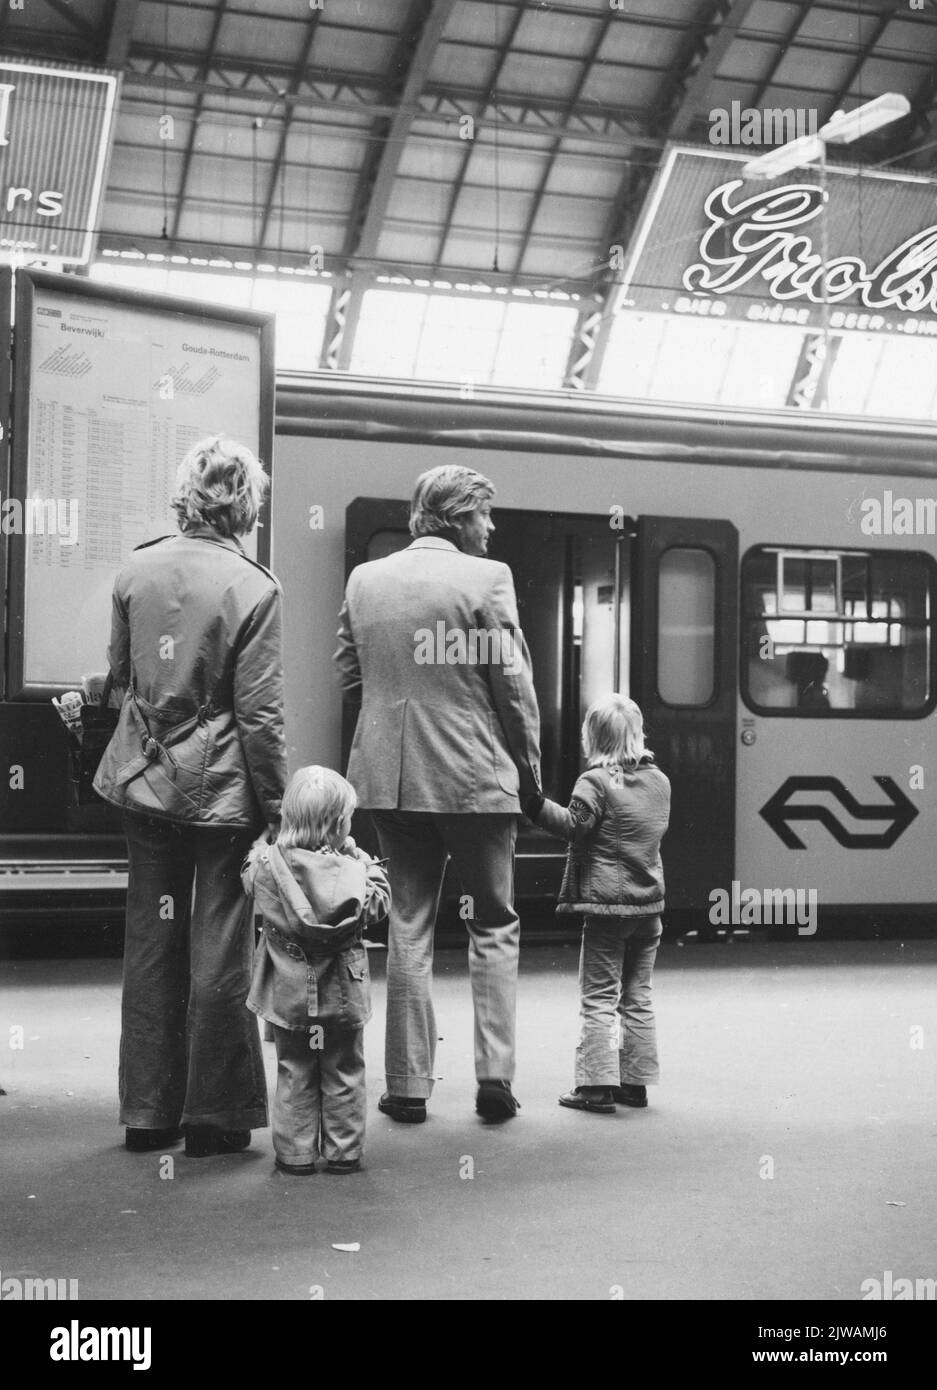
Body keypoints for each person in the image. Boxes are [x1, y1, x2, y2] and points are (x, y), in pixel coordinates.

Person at [94, 436, 288, 1157]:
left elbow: (118, 680)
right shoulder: (255, 588)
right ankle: (213, 1116)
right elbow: (260, 715)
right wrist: (276, 810)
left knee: (150, 942)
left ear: (185, 495)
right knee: (219, 948)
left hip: (142, 781)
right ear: (244, 503)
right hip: (221, 793)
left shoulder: (134, 569)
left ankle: (147, 1113)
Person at [334, 464, 542, 1123]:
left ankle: (405, 1085)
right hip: (476, 778)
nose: (492, 525)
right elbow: (512, 691)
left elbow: (349, 675)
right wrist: (530, 780)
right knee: (493, 924)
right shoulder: (487, 580)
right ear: (457, 516)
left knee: (407, 926)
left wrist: (388, 729)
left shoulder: (366, 580)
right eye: (484, 513)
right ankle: (494, 1077)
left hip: (393, 780)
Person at [241, 766, 390, 1175]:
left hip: (288, 992)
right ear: (340, 824)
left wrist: (261, 846)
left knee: (294, 1069)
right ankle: (343, 1152)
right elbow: (378, 904)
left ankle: (295, 1154)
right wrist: (365, 860)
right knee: (343, 1068)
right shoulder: (355, 871)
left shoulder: (268, 866)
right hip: (343, 991)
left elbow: (249, 878)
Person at [526, 694, 670, 1115]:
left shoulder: (595, 781)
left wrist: (535, 805)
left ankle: (595, 1086)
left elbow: (575, 826)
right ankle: (635, 1083)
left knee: (598, 996)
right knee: (638, 995)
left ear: (594, 736)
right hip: (649, 906)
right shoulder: (659, 780)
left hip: (608, 907)